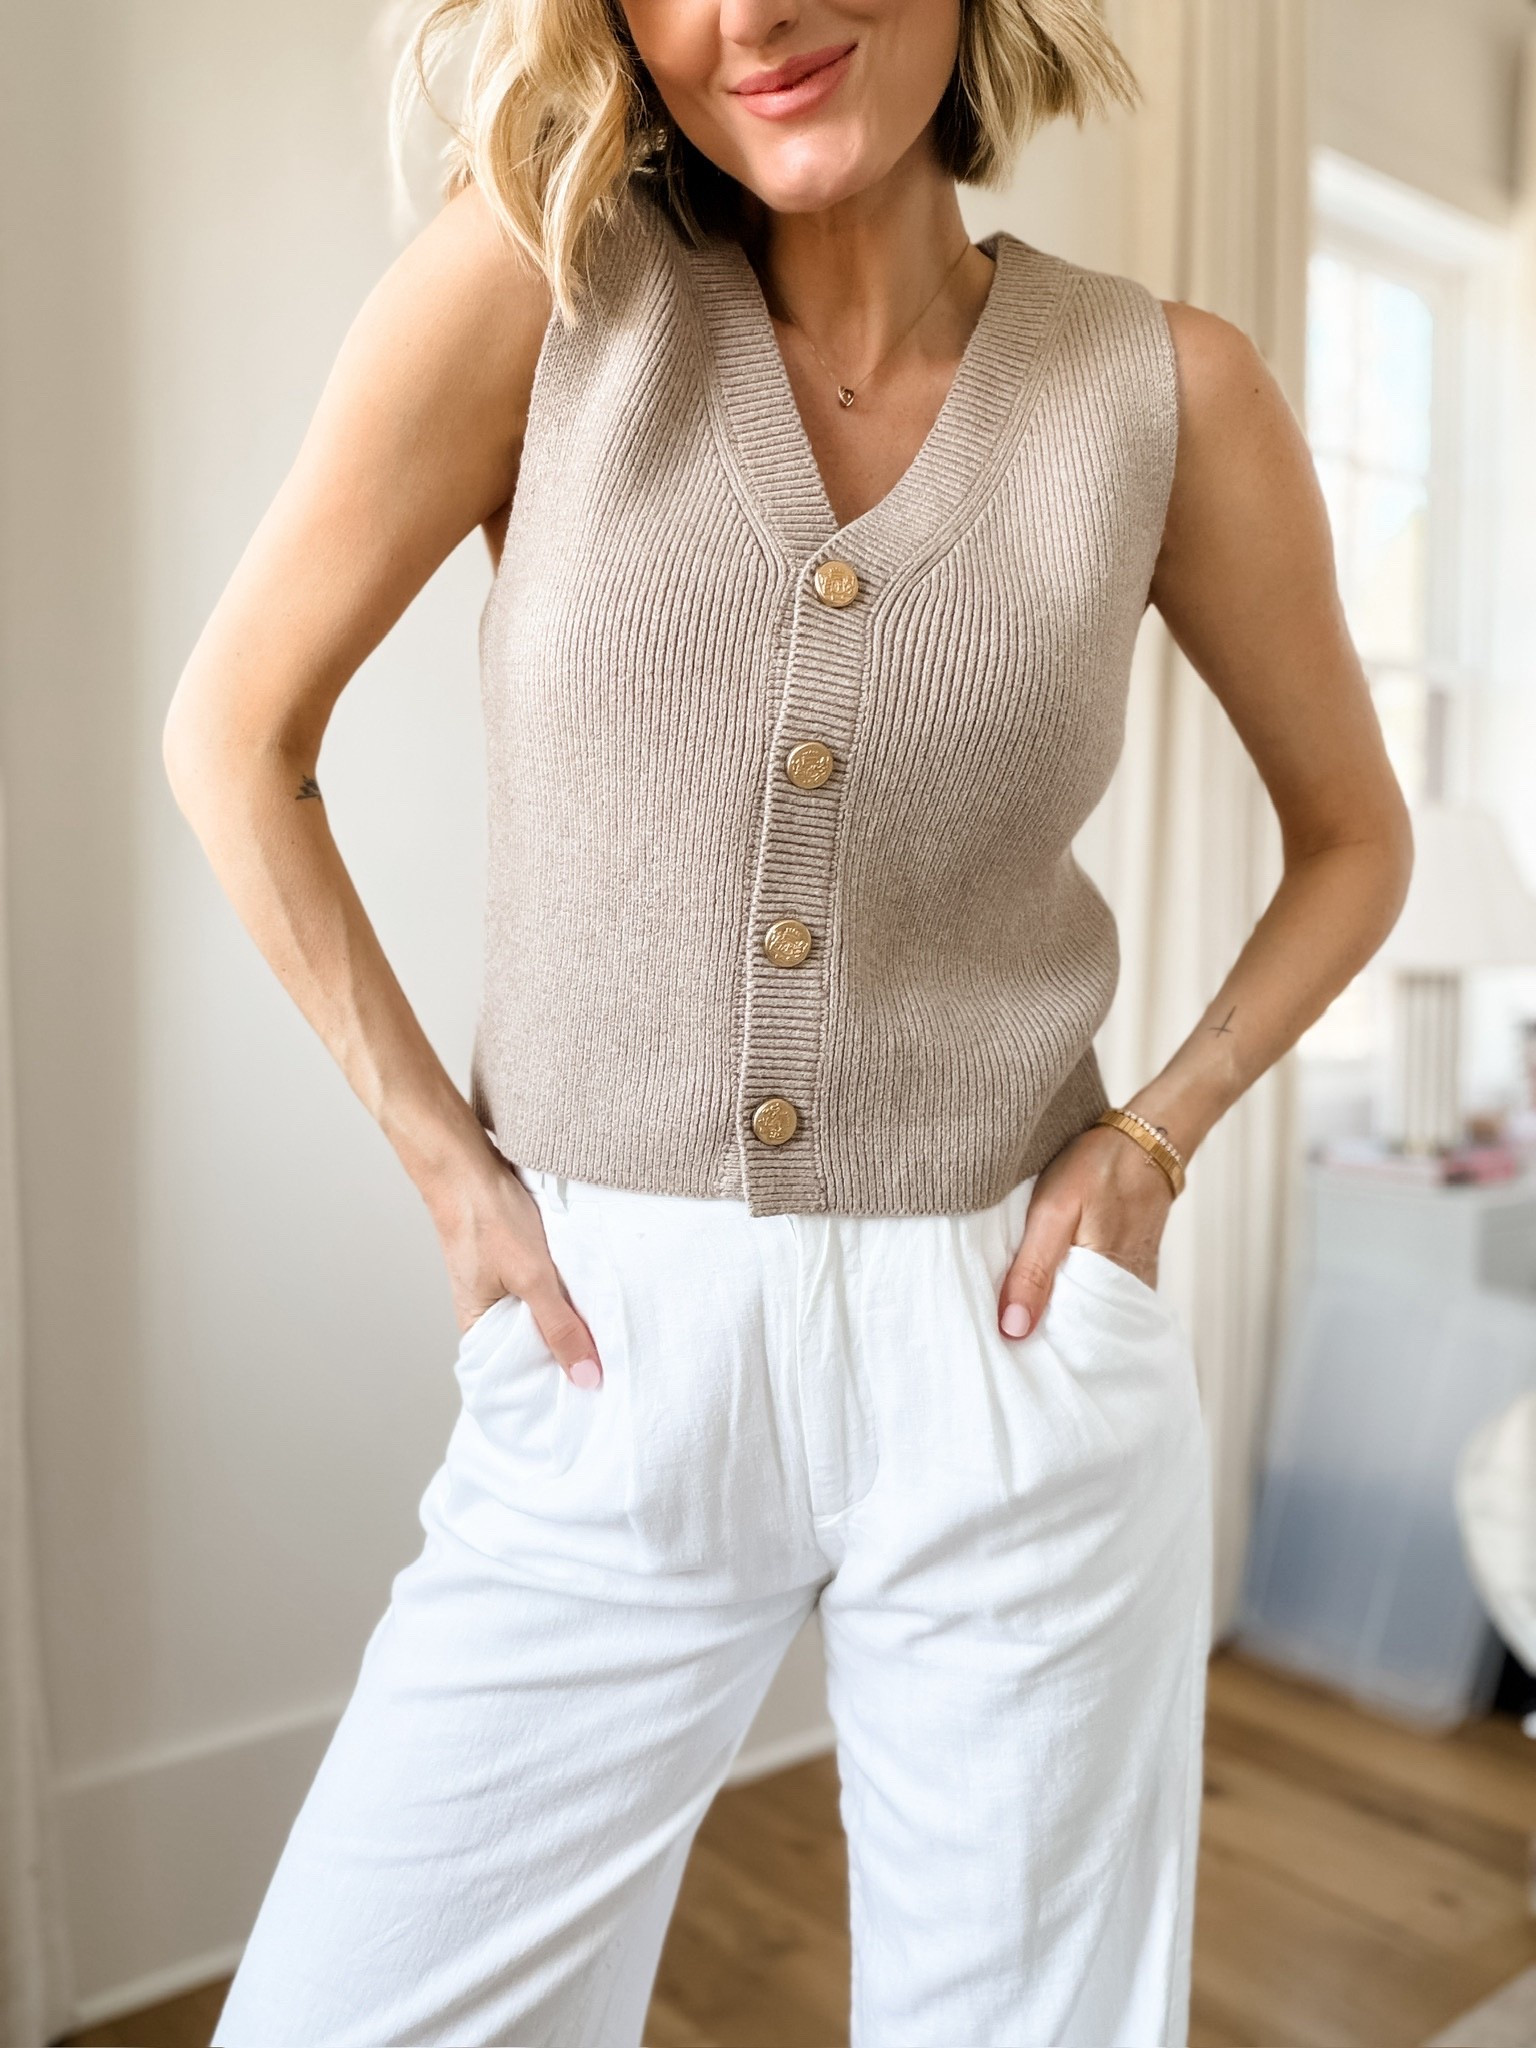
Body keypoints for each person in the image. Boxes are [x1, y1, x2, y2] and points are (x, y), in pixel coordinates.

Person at [162, 1, 1413, 2042]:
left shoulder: (1165, 389)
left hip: (1009, 1352)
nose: (746, 14)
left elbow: (1356, 838)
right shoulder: (539, 295)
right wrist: (448, 1170)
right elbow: (233, 732)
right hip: (604, 1346)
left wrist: (1159, 1130)